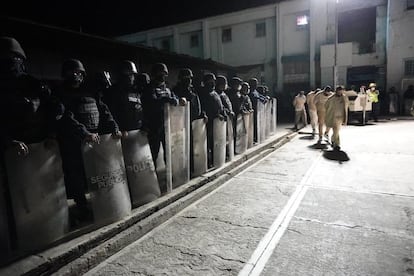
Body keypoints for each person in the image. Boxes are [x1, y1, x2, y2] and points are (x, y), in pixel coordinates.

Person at [55, 58, 121, 221]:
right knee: (76, 176)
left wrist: (114, 128)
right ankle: (82, 208)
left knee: (97, 174)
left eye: (79, 72)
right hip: (74, 142)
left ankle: (101, 203)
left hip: (94, 140)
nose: (76, 75)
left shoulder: (90, 92)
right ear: (66, 74)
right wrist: (84, 133)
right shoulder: (62, 93)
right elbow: (66, 118)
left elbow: (104, 111)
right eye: (72, 72)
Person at [0, 37, 64, 156]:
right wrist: (9, 141)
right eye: (5, 57)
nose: (10, 61)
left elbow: (55, 106)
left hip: (40, 145)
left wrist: (51, 134)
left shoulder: (33, 83)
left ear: (21, 60)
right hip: (11, 151)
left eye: (14, 57)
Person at [141, 63, 185, 164]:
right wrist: (166, 99)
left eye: (164, 73)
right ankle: (153, 178)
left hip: (167, 126)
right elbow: (152, 103)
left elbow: (175, 99)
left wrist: (178, 100)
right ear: (154, 74)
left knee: (169, 152)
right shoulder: (149, 88)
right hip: (153, 126)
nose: (162, 75)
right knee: (153, 153)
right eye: (159, 73)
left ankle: (170, 176)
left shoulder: (167, 89)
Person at [104, 60, 143, 135]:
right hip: (121, 134)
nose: (132, 78)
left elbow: (140, 110)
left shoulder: (136, 91)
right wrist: (118, 129)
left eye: (132, 75)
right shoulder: (112, 92)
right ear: (122, 75)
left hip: (136, 133)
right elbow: (111, 114)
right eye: (129, 74)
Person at [198, 73, 225, 167]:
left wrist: (222, 112)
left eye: (213, 81)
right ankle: (208, 161)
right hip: (207, 122)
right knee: (207, 143)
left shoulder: (215, 93)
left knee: (215, 142)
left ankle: (215, 159)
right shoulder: (202, 93)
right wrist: (204, 115)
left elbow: (220, 105)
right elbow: (201, 107)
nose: (212, 83)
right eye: (210, 81)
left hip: (217, 122)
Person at [325, 86, 349, 151]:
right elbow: (326, 106)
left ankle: (333, 140)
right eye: (338, 91)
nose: (340, 93)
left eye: (341, 91)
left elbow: (346, 106)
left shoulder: (344, 97)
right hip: (334, 116)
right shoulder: (331, 98)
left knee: (337, 130)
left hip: (341, 117)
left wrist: (345, 118)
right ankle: (337, 144)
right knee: (335, 130)